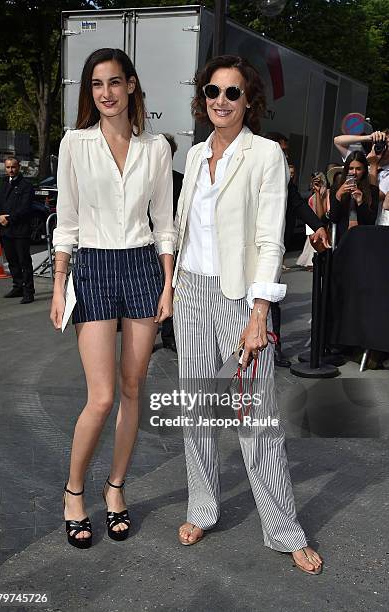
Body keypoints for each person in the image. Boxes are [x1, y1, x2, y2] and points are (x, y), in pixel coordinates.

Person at [172, 55, 323, 575]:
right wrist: (172, 287)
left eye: (232, 93)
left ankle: (284, 528)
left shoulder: (264, 157)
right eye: (212, 90)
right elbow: (183, 227)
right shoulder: (194, 156)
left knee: (254, 418)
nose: (220, 100)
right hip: (191, 291)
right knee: (197, 411)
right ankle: (202, 507)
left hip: (240, 300)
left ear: (249, 101)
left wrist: (261, 311)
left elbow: (268, 239)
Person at [50, 48, 175, 548]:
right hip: (96, 265)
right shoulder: (75, 144)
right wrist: (60, 284)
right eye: (97, 84)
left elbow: (165, 223)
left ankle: (116, 488)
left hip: (143, 266)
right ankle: (74, 493)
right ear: (90, 92)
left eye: (115, 82)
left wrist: (168, 283)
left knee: (131, 388)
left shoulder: (157, 148)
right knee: (100, 397)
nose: (107, 92)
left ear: (131, 86)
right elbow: (67, 220)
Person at [264, 133, 329, 367]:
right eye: (282, 150)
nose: (286, 155)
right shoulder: (252, 169)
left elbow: (298, 203)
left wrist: (318, 226)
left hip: (271, 249)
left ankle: (275, 346)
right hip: (244, 248)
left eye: (287, 151)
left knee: (272, 298)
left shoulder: (283, 178)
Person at [0, 157, 35, 303]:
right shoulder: (5, 184)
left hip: (20, 230)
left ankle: (28, 291)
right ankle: (17, 286)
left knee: (24, 261)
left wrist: (9, 218)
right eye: (8, 167)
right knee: (12, 261)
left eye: (13, 167)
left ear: (18, 167)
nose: (10, 170)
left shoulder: (26, 186)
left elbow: (24, 208)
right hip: (6, 230)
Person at [160, 133, 184, 352]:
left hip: (173, 244)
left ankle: (169, 335)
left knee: (171, 289)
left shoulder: (180, 180)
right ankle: (147, 336)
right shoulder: (145, 177)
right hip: (147, 245)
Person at [328, 151, 381, 243]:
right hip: (343, 237)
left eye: (358, 169)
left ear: (364, 170)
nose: (354, 172)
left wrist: (360, 202)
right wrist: (338, 196)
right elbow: (334, 218)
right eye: (351, 168)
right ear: (346, 169)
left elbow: (371, 221)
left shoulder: (372, 190)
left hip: (364, 237)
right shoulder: (337, 188)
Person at [297, 172, 329, 268]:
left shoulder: (326, 193)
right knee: (310, 241)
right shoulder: (311, 198)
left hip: (319, 221)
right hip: (312, 221)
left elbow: (321, 214)